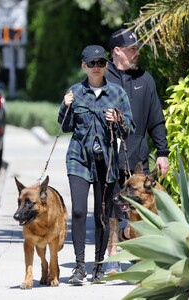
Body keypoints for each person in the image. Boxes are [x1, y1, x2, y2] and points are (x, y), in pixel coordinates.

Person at [58, 45, 135, 285]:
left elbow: (130, 128)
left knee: (102, 215)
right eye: (91, 63)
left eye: (100, 63)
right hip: (78, 159)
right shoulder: (76, 91)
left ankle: (98, 267)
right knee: (80, 211)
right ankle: (80, 267)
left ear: (106, 65)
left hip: (107, 162)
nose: (96, 67)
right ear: (84, 66)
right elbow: (64, 125)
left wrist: (119, 119)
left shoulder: (117, 93)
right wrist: (65, 105)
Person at [104, 28, 170, 275]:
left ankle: (139, 253)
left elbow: (156, 118)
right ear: (117, 51)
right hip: (108, 157)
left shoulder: (145, 79)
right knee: (112, 206)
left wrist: (162, 152)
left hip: (137, 157)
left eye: (137, 49)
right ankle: (112, 255)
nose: (136, 54)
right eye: (132, 49)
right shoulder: (104, 78)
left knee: (138, 207)